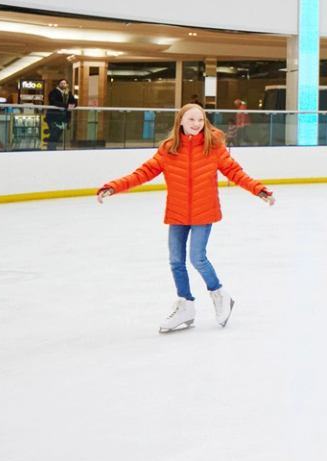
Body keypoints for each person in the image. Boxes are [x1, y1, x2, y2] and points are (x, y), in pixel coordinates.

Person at [96, 102, 275, 334]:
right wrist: (112, 188)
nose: (196, 124)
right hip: (178, 212)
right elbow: (142, 173)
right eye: (191, 120)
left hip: (204, 211)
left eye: (200, 120)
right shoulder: (169, 149)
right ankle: (185, 305)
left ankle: (220, 295)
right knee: (176, 261)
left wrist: (259, 190)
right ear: (180, 121)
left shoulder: (214, 147)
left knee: (197, 258)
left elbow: (235, 172)